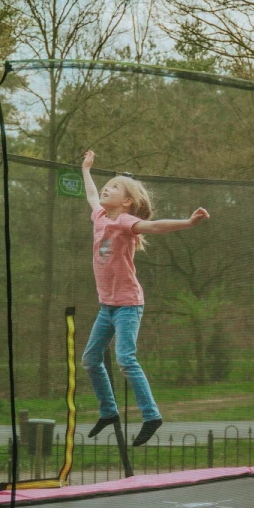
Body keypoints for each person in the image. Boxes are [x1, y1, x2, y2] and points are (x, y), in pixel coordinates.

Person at [80, 154, 209, 447]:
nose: (106, 189)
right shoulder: (99, 216)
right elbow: (91, 194)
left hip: (128, 304)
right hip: (106, 306)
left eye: (114, 187)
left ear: (127, 201)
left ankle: (151, 416)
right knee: (90, 359)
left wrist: (189, 222)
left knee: (125, 358)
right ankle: (109, 411)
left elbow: (156, 226)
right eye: (107, 185)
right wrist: (86, 169)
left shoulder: (126, 222)